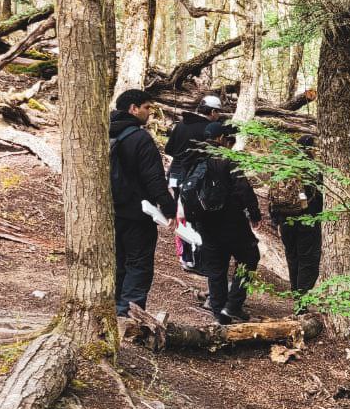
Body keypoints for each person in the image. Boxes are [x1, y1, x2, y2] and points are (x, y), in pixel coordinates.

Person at [109, 89, 177, 319]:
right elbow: (154, 179)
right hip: (138, 213)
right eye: (147, 107)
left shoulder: (104, 132)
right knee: (139, 263)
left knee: (118, 261)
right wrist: (170, 209)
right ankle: (130, 316)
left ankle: (114, 309)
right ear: (133, 108)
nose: (150, 113)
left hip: (111, 211)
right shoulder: (140, 138)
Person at [186, 121, 262, 323]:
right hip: (230, 221)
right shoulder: (227, 158)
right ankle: (234, 305)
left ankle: (219, 312)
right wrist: (255, 214)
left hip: (204, 221)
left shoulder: (194, 156)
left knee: (216, 267)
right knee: (250, 257)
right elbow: (242, 187)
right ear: (220, 138)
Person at [268, 134, 323, 299]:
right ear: (310, 148)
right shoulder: (312, 169)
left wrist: (276, 219)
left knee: (293, 258)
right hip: (308, 222)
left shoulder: (283, 166)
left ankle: (297, 297)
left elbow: (272, 195)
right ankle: (302, 302)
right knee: (309, 261)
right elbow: (319, 197)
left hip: (285, 220)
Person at [164, 95, 225, 183]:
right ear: (213, 112)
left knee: (174, 195)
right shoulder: (210, 129)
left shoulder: (181, 123)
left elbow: (168, 149)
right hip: (194, 176)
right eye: (218, 112)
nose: (219, 115)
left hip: (174, 172)